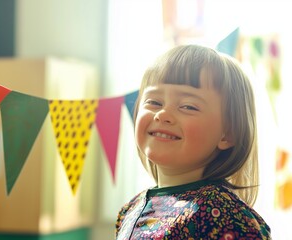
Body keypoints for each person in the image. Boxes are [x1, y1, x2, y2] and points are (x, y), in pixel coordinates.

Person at [115, 45, 271, 239]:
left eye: (188, 106)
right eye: (154, 102)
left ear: (227, 134)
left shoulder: (223, 214)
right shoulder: (129, 210)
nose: (163, 114)